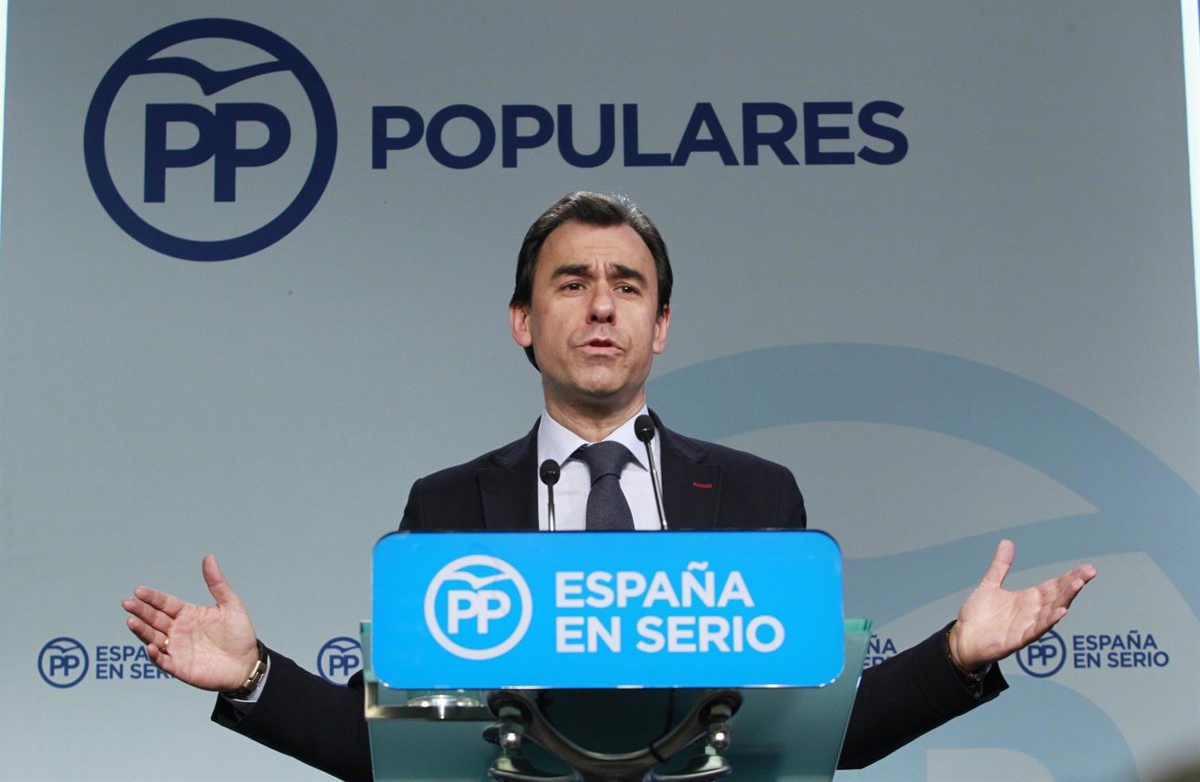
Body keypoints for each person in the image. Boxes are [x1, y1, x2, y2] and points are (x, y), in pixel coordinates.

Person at [123, 191, 1097, 781]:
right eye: (571, 282)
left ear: (660, 326)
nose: (601, 307)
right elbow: (395, 742)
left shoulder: (757, 498)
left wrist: (959, 653)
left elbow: (823, 730)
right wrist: (253, 676)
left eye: (628, 286)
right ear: (523, 320)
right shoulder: (449, 507)